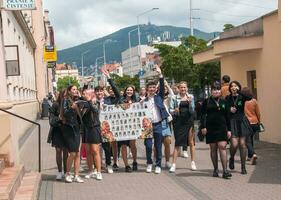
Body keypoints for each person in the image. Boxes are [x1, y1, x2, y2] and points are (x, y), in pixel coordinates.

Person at [102, 69, 138, 172]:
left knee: (132, 144)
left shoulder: (137, 101)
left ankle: (134, 161)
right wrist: (109, 77)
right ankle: (126, 165)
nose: (129, 91)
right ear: (125, 91)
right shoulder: (120, 99)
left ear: (133, 92)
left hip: (132, 125)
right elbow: (114, 87)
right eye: (128, 90)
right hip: (121, 126)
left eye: (131, 90)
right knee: (122, 145)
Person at [201, 83, 232, 179]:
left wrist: (229, 129)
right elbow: (202, 115)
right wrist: (203, 126)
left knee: (222, 146)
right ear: (211, 91)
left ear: (220, 91)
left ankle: (225, 170)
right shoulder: (206, 101)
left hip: (222, 127)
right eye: (214, 89)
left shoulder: (224, 101)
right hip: (210, 128)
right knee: (213, 149)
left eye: (218, 89)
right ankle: (215, 169)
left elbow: (228, 116)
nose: (216, 91)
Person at [144, 64, 170, 174]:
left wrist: (160, 74)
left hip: (158, 124)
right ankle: (149, 163)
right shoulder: (143, 101)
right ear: (147, 89)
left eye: (154, 88)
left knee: (158, 146)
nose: (152, 89)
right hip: (147, 126)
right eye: (150, 88)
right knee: (148, 146)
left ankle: (158, 165)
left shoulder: (159, 97)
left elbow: (163, 88)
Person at [226, 81, 253, 174]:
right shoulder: (228, 98)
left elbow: (250, 97)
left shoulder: (242, 96)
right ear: (229, 88)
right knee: (234, 144)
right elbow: (225, 109)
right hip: (232, 121)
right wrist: (229, 109)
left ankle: (243, 167)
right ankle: (232, 158)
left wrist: (240, 91)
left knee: (242, 144)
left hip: (242, 121)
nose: (233, 87)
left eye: (235, 86)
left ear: (238, 87)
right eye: (232, 86)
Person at [169, 81, 197, 173]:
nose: (183, 89)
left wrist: (189, 103)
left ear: (187, 88)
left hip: (189, 121)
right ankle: (173, 164)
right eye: (181, 87)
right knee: (178, 143)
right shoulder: (174, 97)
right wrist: (175, 111)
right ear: (179, 88)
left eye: (185, 87)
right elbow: (170, 110)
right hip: (178, 122)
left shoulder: (191, 97)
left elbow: (193, 111)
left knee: (191, 142)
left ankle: (193, 162)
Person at [62, 85, 84, 183]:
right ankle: (67, 173)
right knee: (72, 153)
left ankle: (76, 175)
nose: (75, 91)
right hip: (69, 128)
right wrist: (72, 108)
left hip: (77, 128)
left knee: (78, 153)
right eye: (73, 89)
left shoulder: (78, 100)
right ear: (69, 91)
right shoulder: (66, 100)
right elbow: (64, 113)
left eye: (76, 89)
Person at [81, 89, 103, 180]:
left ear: (90, 94)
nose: (83, 95)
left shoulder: (95, 102)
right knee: (88, 151)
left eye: (85, 93)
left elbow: (95, 111)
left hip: (94, 128)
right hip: (85, 129)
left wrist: (89, 100)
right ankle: (90, 170)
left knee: (95, 150)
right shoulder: (83, 103)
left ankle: (98, 171)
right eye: (83, 93)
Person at [47, 90, 68, 180]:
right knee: (58, 151)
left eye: (67, 95)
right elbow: (51, 119)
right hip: (57, 131)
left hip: (67, 131)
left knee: (66, 152)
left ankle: (66, 171)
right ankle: (60, 172)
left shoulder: (70, 104)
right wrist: (58, 119)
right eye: (64, 95)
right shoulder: (56, 104)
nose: (65, 97)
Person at [94, 86, 115, 174]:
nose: (99, 93)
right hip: (95, 127)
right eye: (97, 91)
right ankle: (96, 167)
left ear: (103, 92)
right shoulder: (93, 101)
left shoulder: (108, 100)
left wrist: (109, 78)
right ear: (95, 92)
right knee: (96, 149)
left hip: (105, 127)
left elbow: (118, 96)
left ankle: (108, 165)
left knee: (107, 147)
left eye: (101, 91)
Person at [242, 87, 261, 165]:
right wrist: (259, 122)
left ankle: (253, 154)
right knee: (250, 139)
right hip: (255, 123)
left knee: (247, 141)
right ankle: (250, 156)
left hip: (246, 123)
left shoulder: (243, 102)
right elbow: (258, 113)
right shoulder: (254, 101)